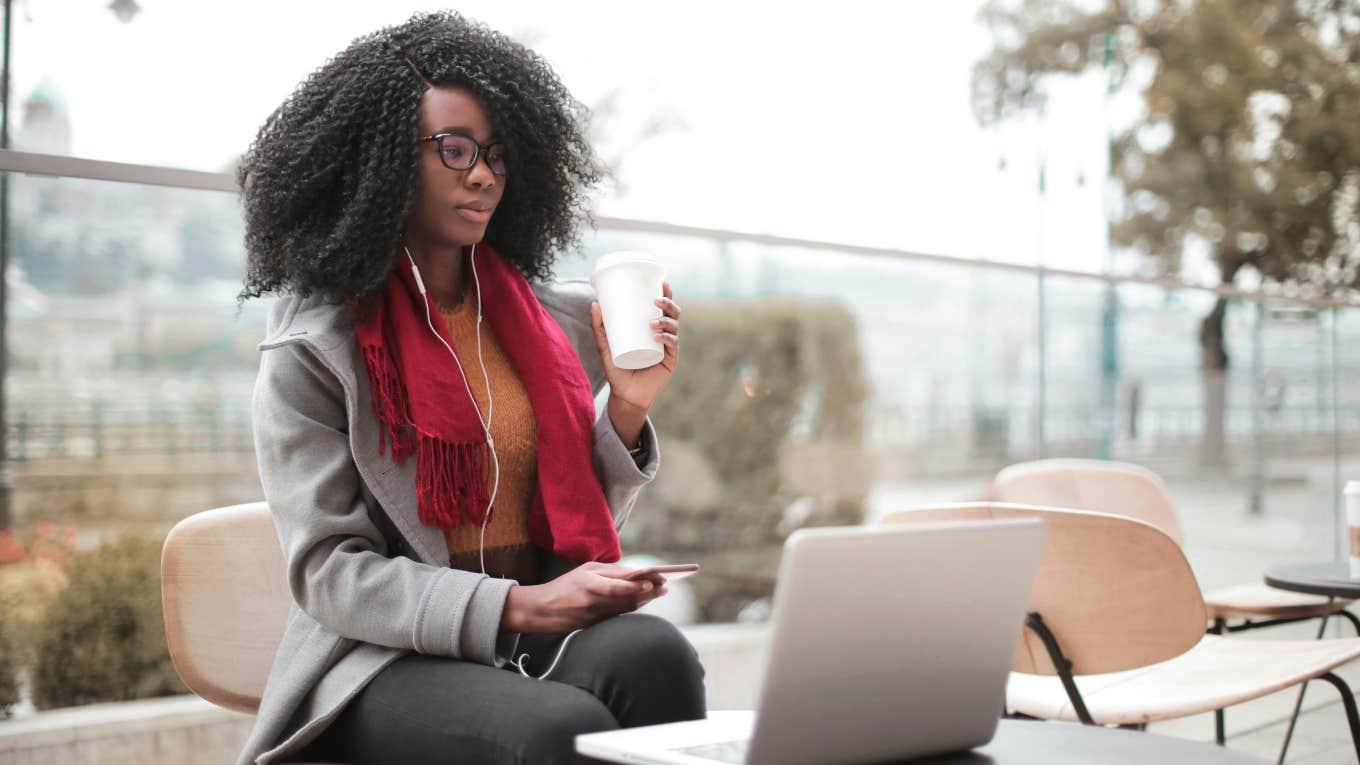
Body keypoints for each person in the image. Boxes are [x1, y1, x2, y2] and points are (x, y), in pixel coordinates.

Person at [233, 11, 705, 765]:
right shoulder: (313, 345)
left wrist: (628, 403)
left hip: (525, 626)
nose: (482, 174)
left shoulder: (547, 319)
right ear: (381, 159)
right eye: (454, 149)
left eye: (496, 154)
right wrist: (518, 604)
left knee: (657, 657)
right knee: (549, 728)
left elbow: (562, 510)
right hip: (381, 660)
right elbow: (330, 575)